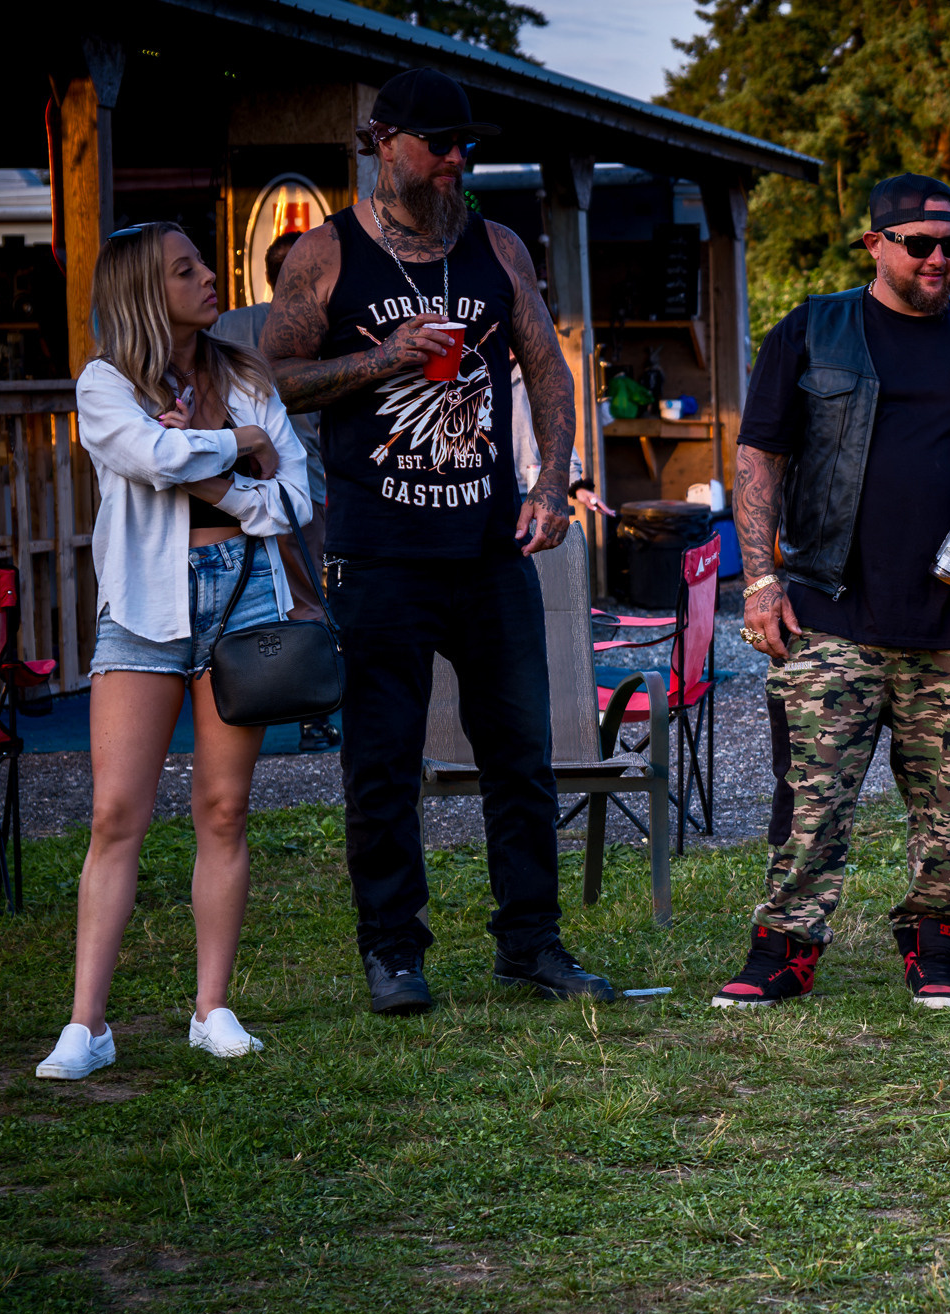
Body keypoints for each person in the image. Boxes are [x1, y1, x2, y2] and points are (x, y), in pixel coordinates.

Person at [263, 68, 611, 1016]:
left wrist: (548, 486)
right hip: (379, 551)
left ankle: (531, 944)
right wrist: (383, 358)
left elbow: (547, 370)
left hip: (491, 545)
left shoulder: (496, 247)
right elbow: (276, 378)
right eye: (442, 144)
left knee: (522, 754)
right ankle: (393, 951)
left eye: (471, 146)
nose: (460, 160)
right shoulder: (326, 257)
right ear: (385, 143)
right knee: (382, 761)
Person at [714, 174, 950, 1010]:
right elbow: (760, 456)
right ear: (875, 245)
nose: (939, 259)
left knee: (949, 805)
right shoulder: (814, 329)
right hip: (830, 610)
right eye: (920, 244)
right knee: (813, 797)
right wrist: (760, 579)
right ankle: (784, 949)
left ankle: (934, 945)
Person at [40, 225, 312, 1079]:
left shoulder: (246, 374)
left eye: (202, 263)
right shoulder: (104, 383)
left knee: (223, 810)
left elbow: (296, 496)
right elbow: (148, 455)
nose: (207, 278)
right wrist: (238, 446)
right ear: (140, 289)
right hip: (145, 607)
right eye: (184, 269)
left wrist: (217, 480)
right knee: (115, 814)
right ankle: (87, 1026)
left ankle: (212, 1008)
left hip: (244, 597)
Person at [214, 229, 338, 755]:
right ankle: (311, 715)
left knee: (238, 600)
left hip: (224, 489)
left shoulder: (225, 326)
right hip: (296, 488)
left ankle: (237, 703)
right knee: (305, 595)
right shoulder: (323, 332)